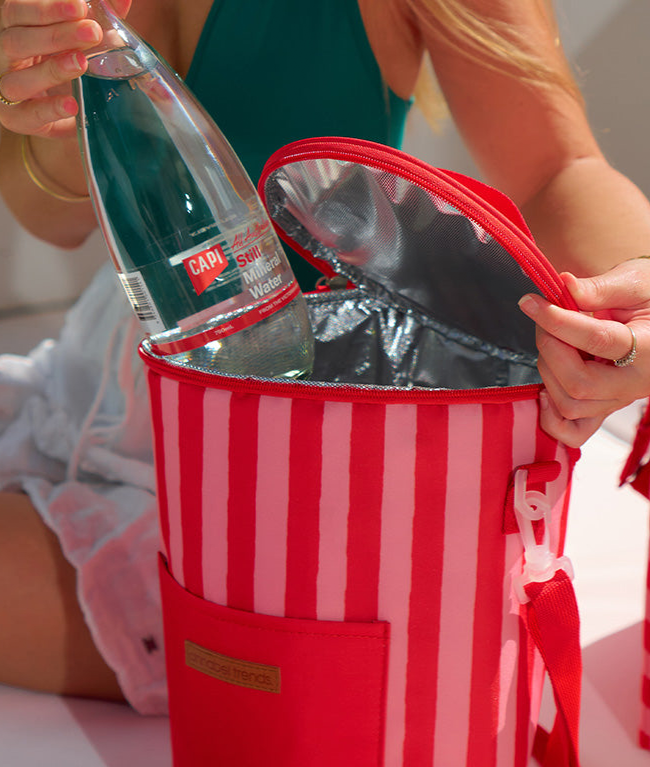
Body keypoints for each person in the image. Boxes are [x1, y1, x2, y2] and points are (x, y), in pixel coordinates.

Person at [0, 0, 649, 711]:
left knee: (277, 659)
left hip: (290, 463)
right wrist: (49, 90)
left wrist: (637, 288)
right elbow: (53, 219)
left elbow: (557, 168)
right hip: (98, 379)